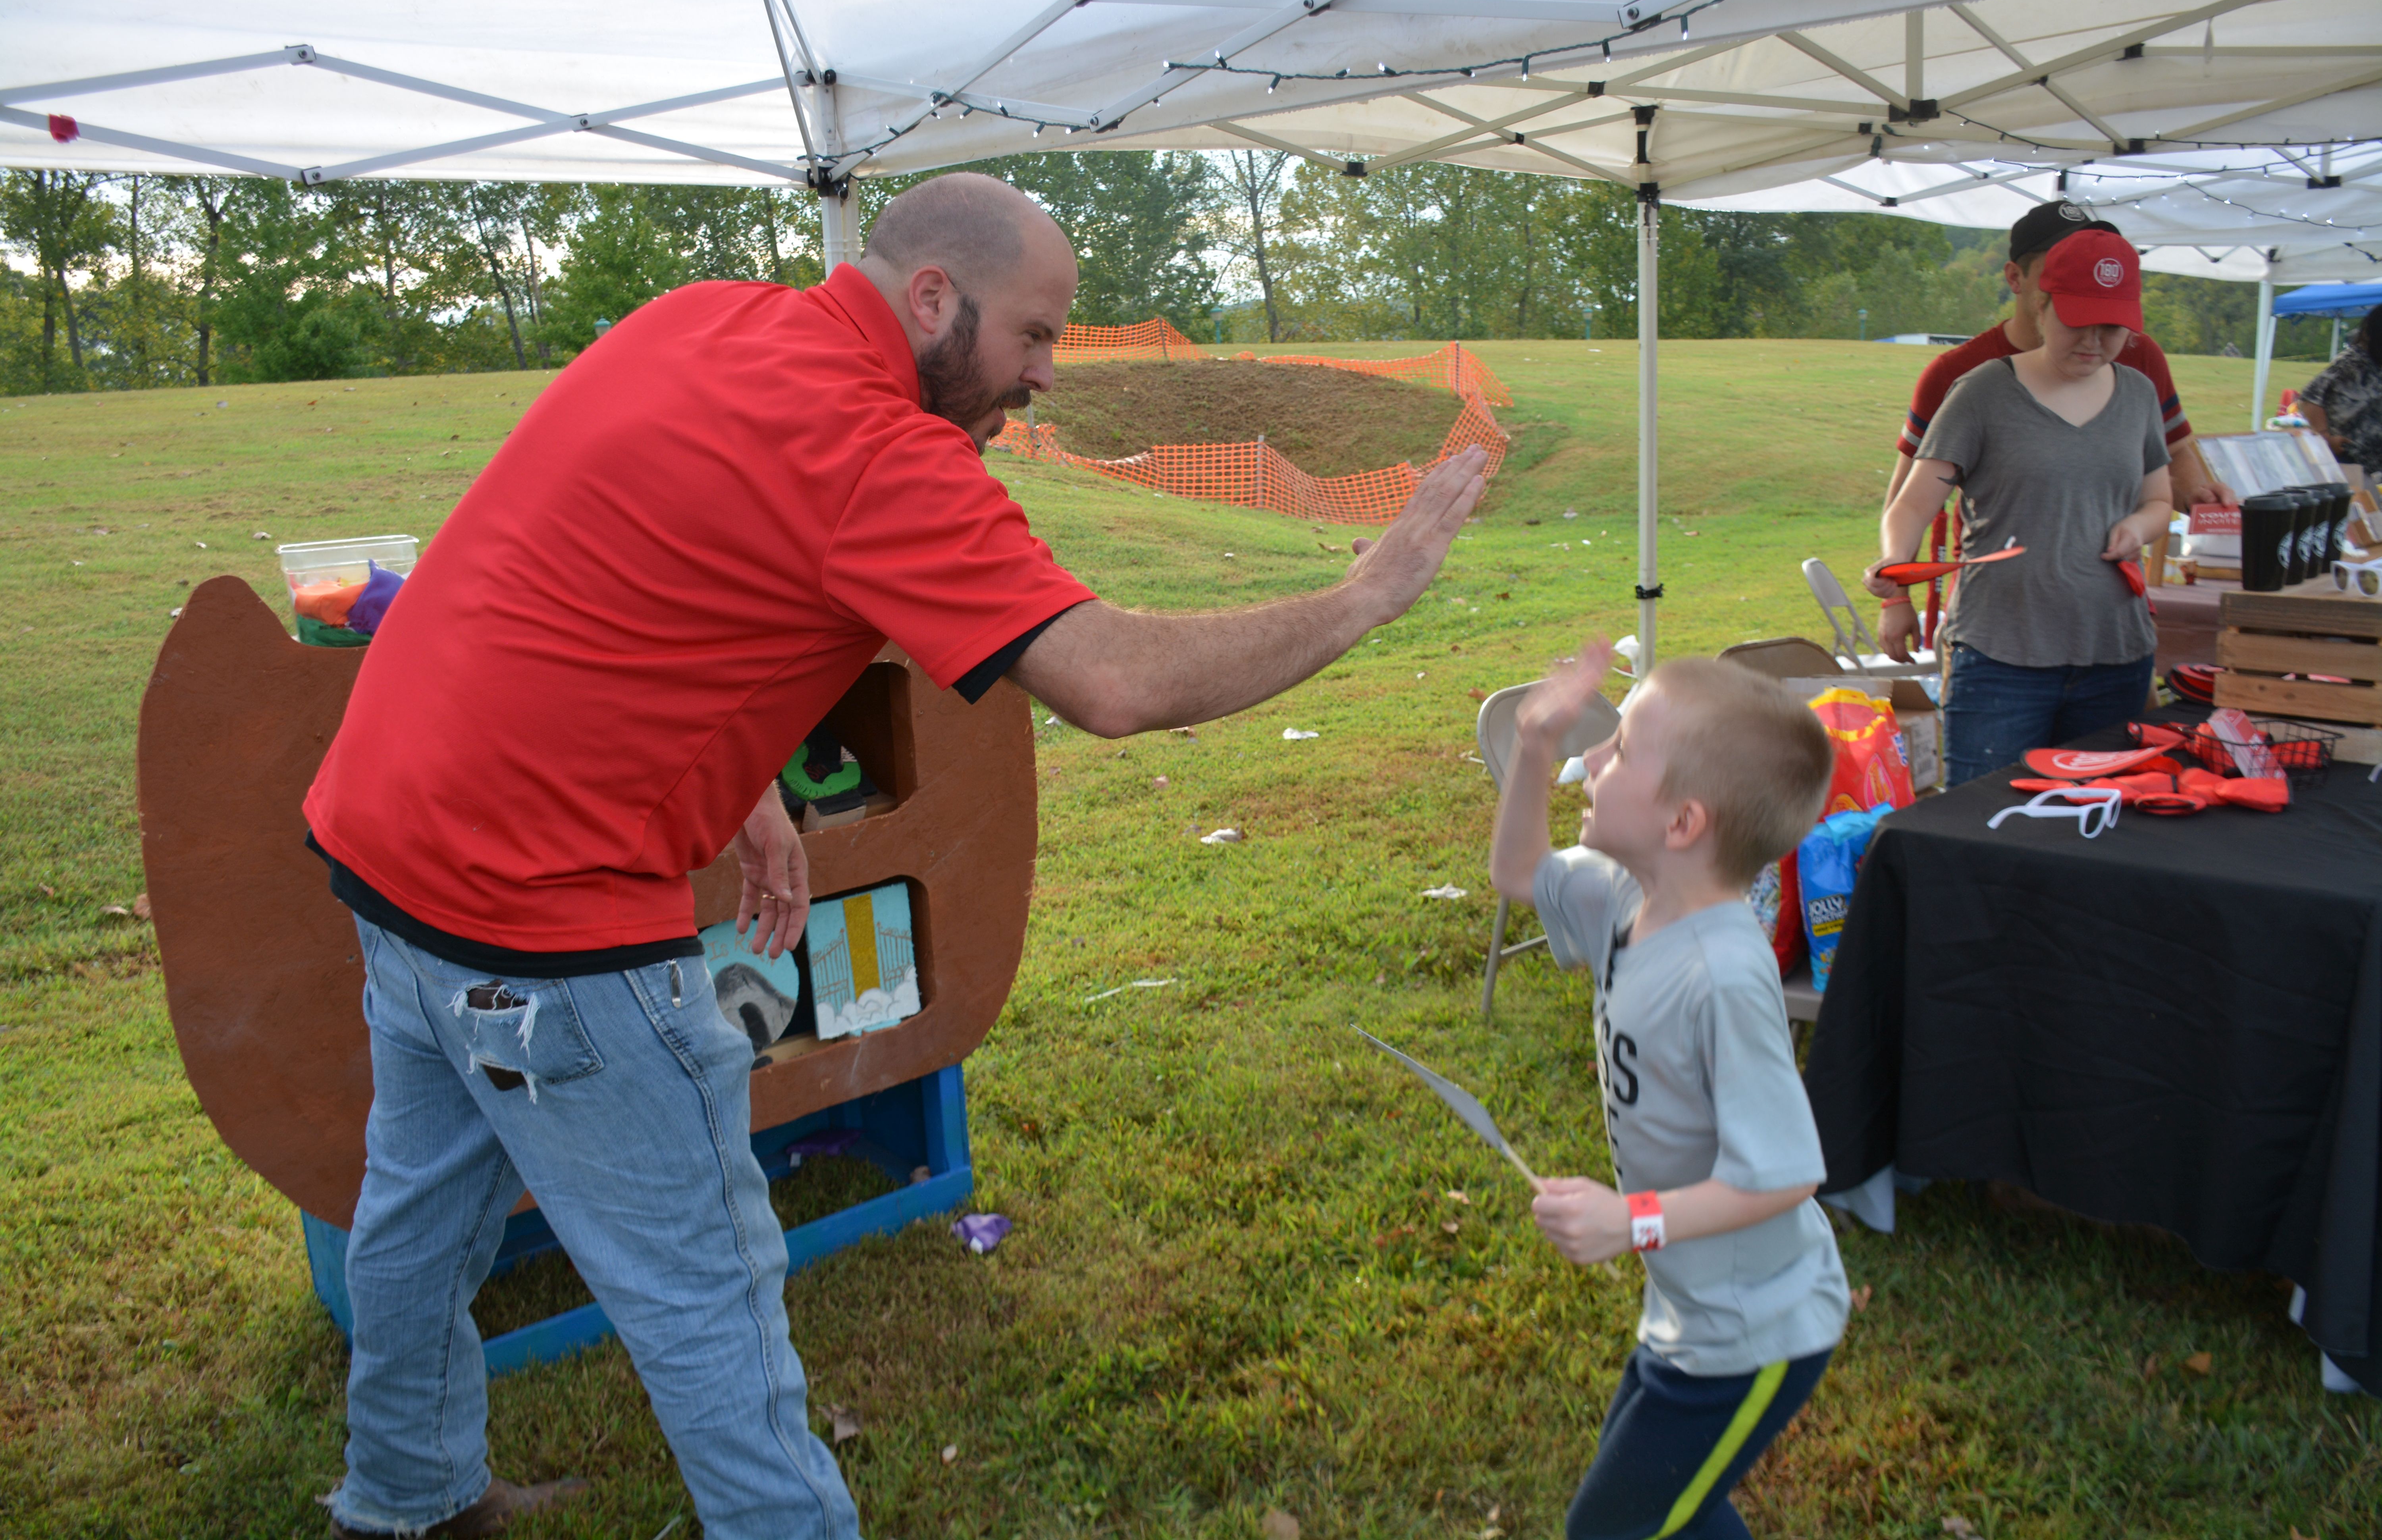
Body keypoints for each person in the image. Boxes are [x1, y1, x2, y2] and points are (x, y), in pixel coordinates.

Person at [303, 171, 1490, 1540]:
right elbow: (1112, 681)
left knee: (417, 1211)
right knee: (706, 1291)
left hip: (386, 847)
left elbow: (628, 574)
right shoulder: (877, 452)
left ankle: (402, 1499)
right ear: (933, 297)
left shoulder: (703, 318)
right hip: (545, 917)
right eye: (1033, 336)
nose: (1044, 378)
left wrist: (739, 780)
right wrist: (1364, 593)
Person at [1489, 642, 1846, 1540]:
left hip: (1756, 1329)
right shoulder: (1624, 894)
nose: (1592, 757)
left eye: (1620, 750)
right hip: (1690, 1309)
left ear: (1682, 822)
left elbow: (1784, 1174)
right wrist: (1532, 749)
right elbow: (1518, 874)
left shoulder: (1723, 977)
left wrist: (1630, 1220)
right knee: (1665, 1516)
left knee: (1614, 1529)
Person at [1870, 199, 2232, 661]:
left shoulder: (2137, 359)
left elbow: (2172, 457)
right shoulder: (1962, 375)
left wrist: (2197, 496)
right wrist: (1897, 593)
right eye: (2062, 264)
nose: (2095, 334)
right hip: (1999, 619)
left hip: (2108, 618)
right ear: (2019, 280)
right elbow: (1910, 496)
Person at [1873, 230, 2172, 786]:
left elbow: (2160, 500)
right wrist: (1896, 576)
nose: (2094, 341)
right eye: (2078, 322)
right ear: (2041, 305)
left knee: (2100, 817)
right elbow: (1911, 505)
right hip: (2001, 660)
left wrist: (2139, 526)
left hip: (2114, 655)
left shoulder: (2138, 395)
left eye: (2112, 328)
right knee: (1987, 815)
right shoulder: (1982, 392)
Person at [2300, 303, 2382, 476]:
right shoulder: (2352, 363)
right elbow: (2310, 399)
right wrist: (2325, 437)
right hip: (2351, 463)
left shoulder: (2377, 364)